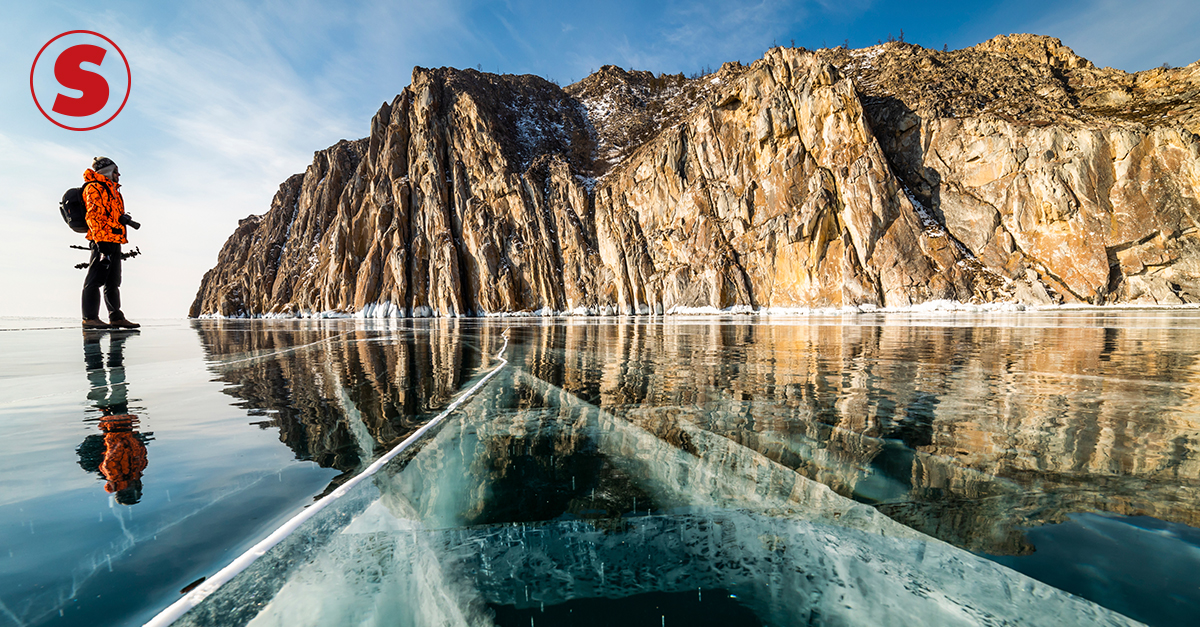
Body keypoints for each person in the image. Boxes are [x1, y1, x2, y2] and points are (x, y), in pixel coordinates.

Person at [81, 157, 139, 329]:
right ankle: (90, 318)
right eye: (115, 171)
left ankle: (116, 317)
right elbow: (93, 216)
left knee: (113, 281)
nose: (118, 175)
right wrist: (100, 242)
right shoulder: (94, 188)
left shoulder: (114, 191)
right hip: (101, 240)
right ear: (106, 171)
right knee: (95, 280)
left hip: (115, 240)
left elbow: (111, 214)